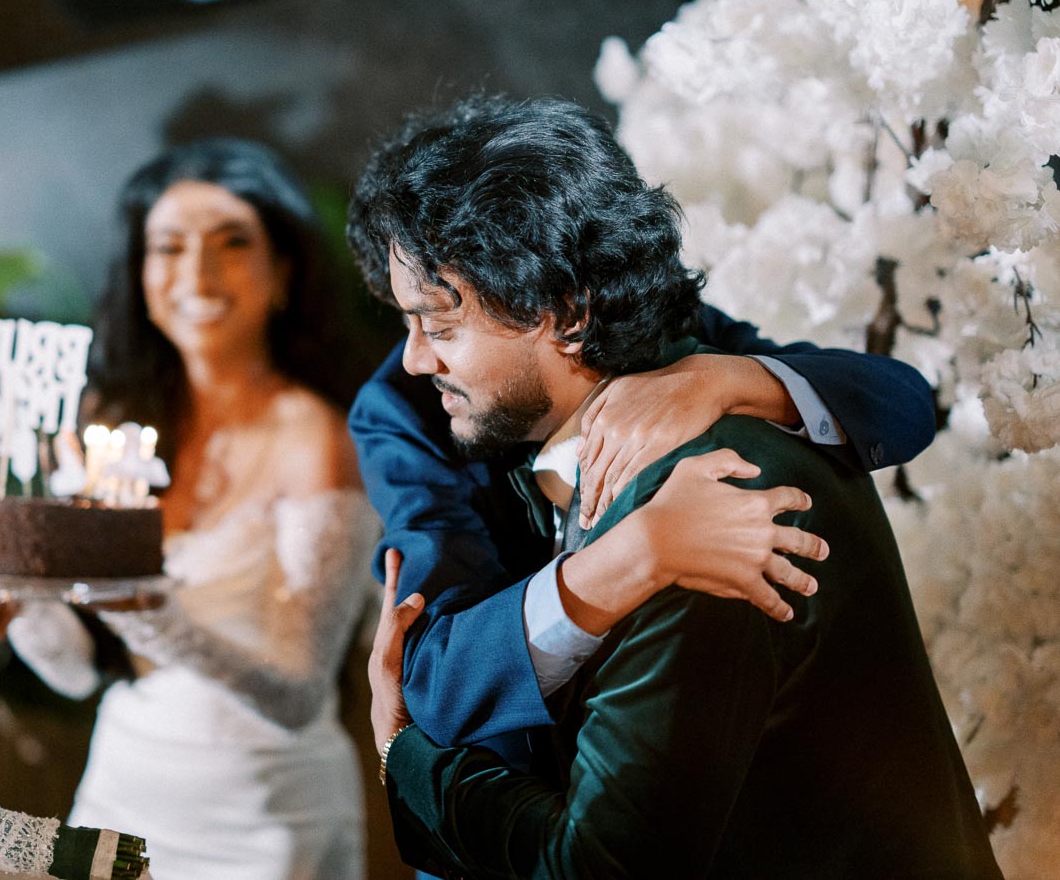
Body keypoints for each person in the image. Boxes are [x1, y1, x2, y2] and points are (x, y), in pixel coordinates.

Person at [357, 96, 1001, 877]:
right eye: (406, 322)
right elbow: (434, 677)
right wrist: (634, 555)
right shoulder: (409, 417)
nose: (418, 360)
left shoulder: (715, 495)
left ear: (563, 313)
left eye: (441, 326)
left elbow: (596, 864)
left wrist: (736, 378)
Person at [0, 140, 379, 880]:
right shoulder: (106, 424)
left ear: (284, 270)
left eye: (232, 243)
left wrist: (141, 610)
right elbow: (77, 676)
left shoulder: (316, 437)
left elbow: (298, 693)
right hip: (124, 785)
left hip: (267, 816)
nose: (196, 274)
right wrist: (22, 608)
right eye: (169, 246)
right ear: (141, 273)